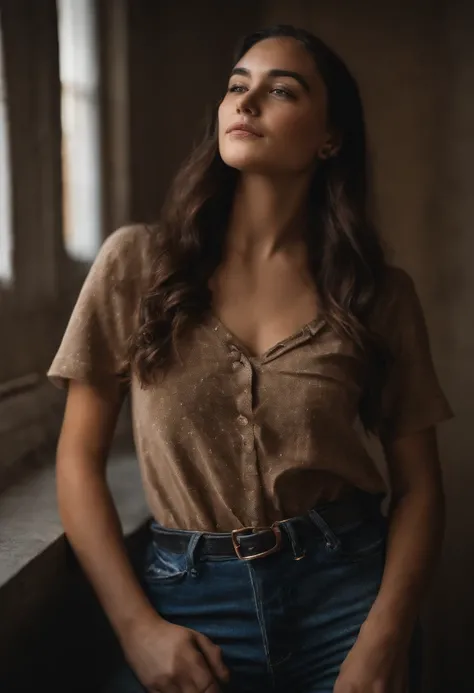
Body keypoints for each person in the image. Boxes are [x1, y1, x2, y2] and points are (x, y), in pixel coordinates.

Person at [48, 24, 453, 693]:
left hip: (345, 597)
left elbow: (419, 488)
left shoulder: (377, 293)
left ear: (330, 138)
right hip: (185, 607)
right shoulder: (136, 265)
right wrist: (136, 627)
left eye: (281, 89)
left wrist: (384, 641)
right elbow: (75, 460)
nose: (247, 101)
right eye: (237, 86)